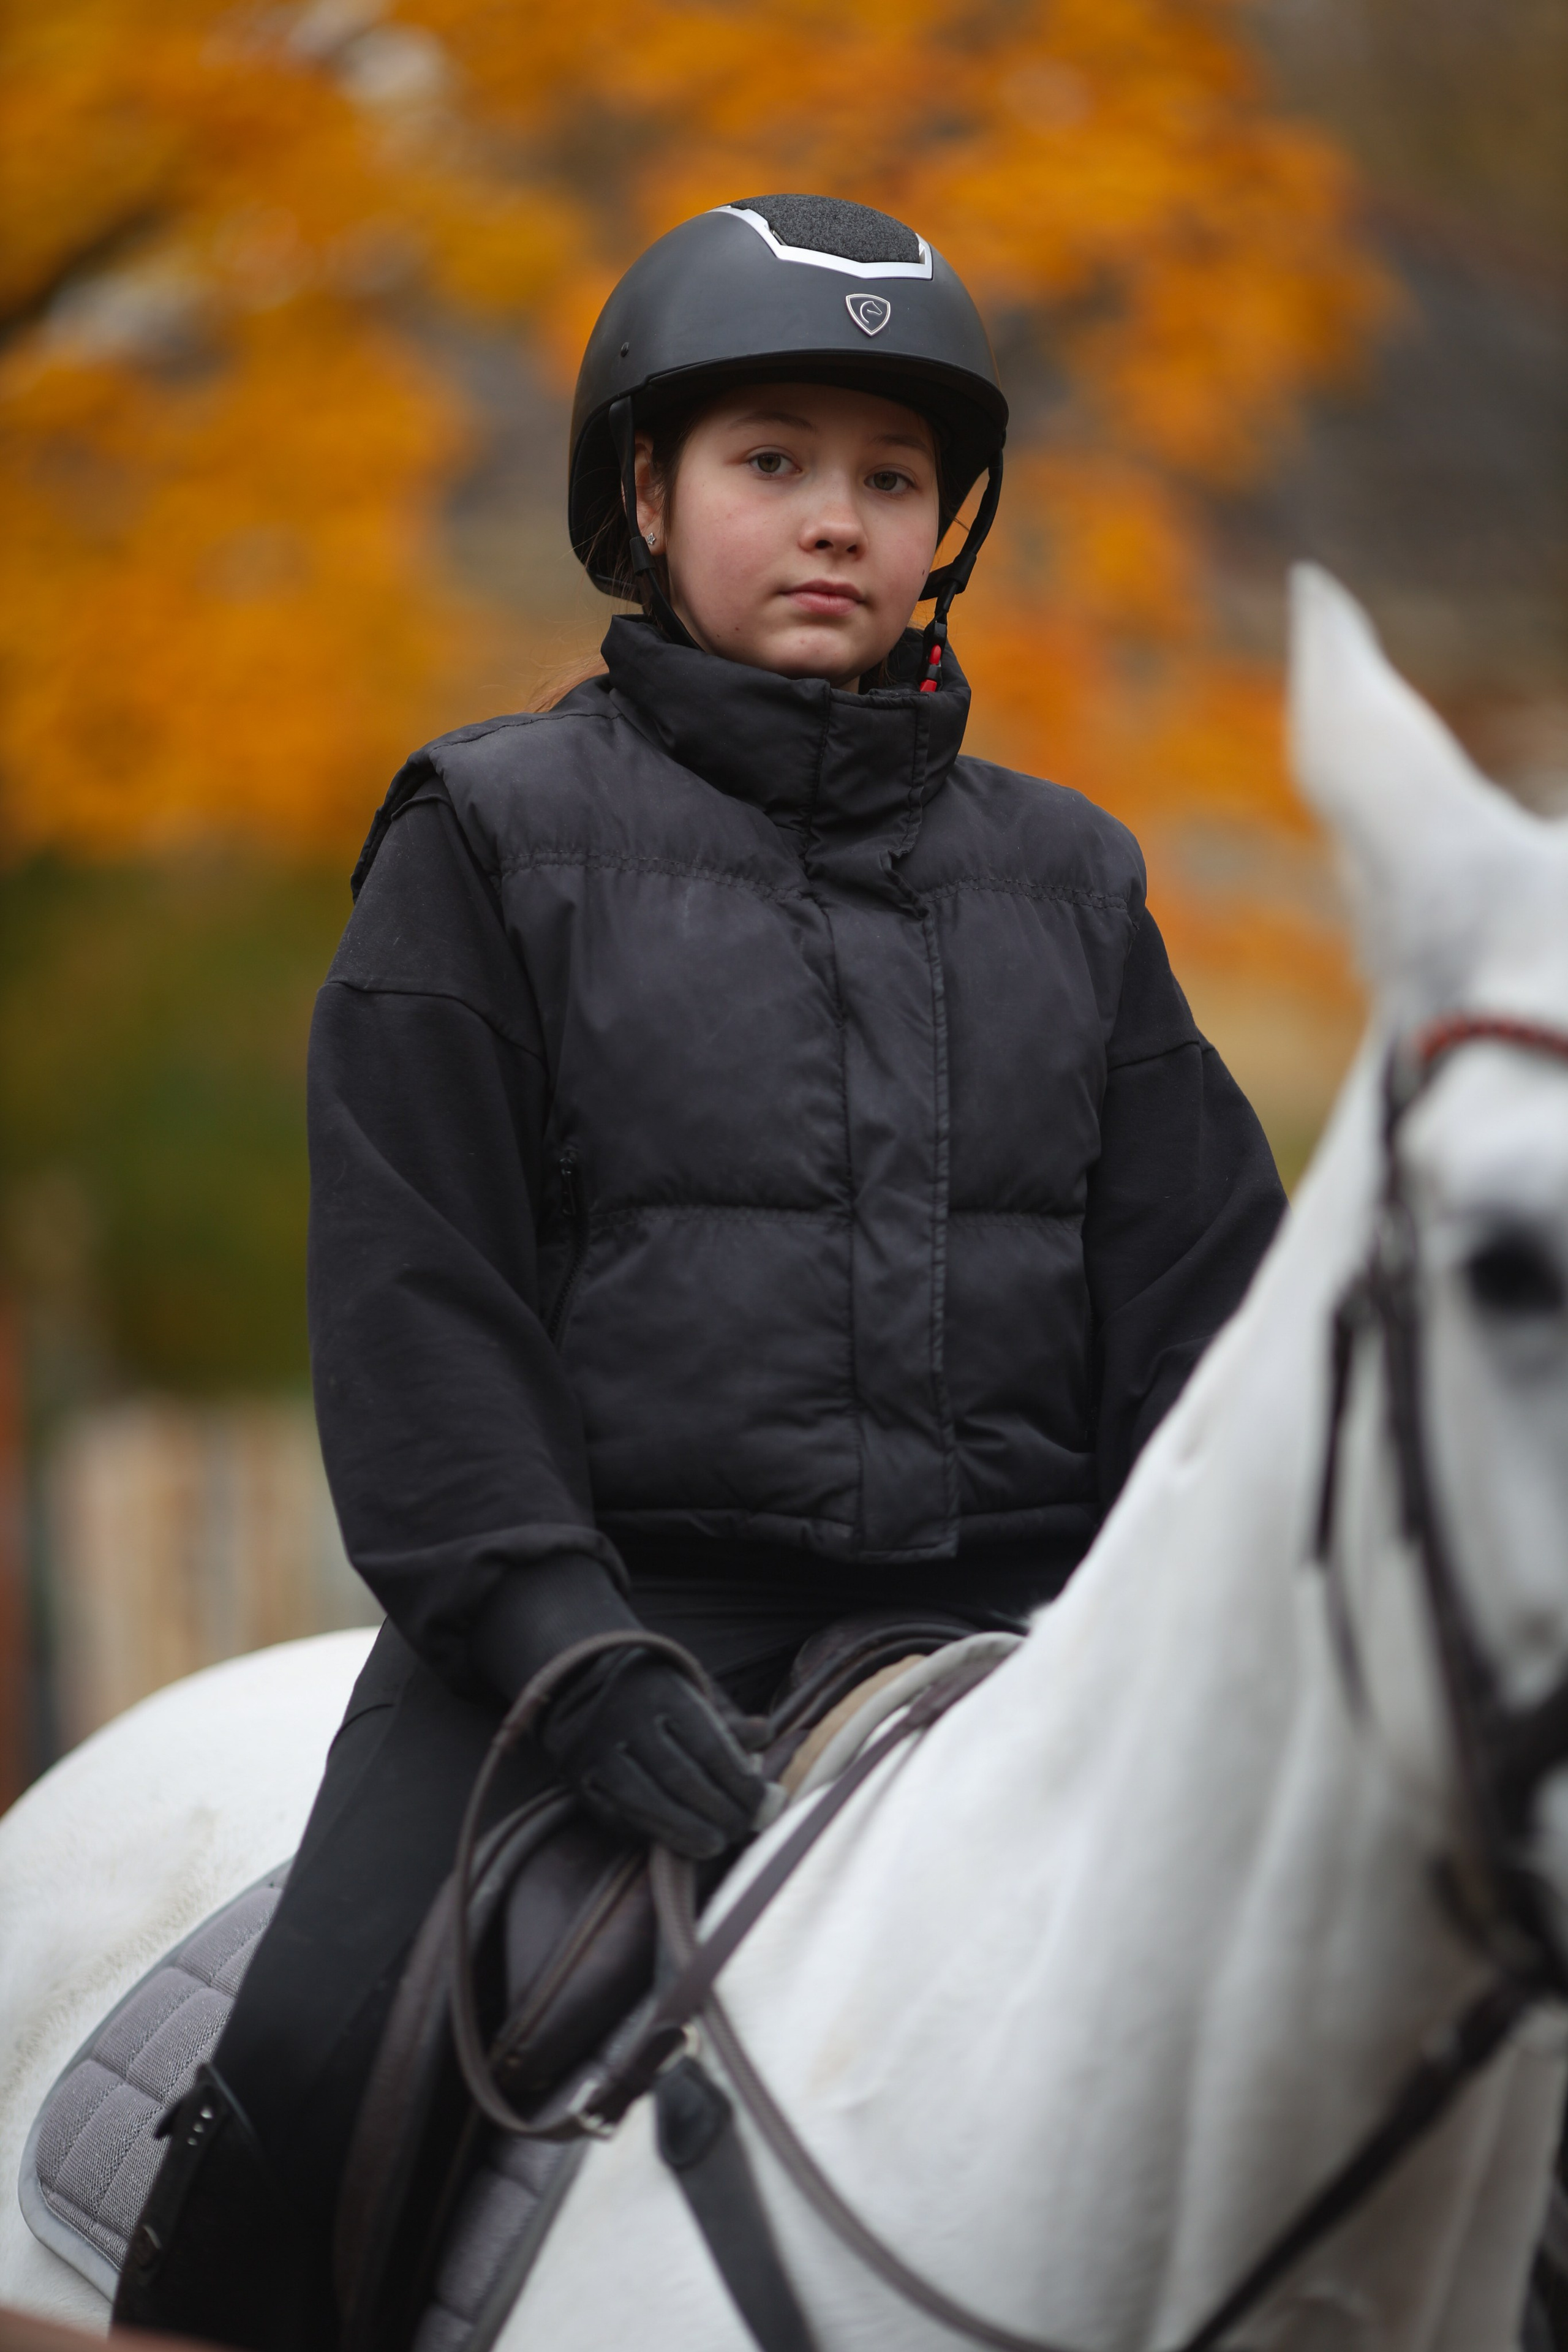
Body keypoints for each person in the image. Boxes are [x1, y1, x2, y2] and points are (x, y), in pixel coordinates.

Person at [116, 193, 1285, 2349]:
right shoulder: (483, 838)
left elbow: (1219, 1313)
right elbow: (420, 1310)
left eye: (892, 476)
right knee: (298, 2082)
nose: (837, 519)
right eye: (772, 461)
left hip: (1016, 1636)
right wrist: (568, 1653)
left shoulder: (1076, 879)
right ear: (643, 498)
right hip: (586, 1644)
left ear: (948, 524)